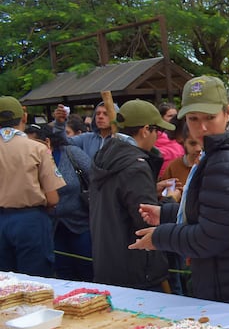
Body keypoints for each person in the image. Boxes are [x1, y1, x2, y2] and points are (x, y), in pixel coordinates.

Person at [130, 76, 229, 309]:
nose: (201, 127)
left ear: (227, 113)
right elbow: (217, 214)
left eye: (209, 118)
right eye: (193, 118)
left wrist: (161, 236)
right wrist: (168, 215)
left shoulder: (225, 160)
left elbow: (213, 236)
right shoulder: (219, 153)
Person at [90, 99, 173, 290]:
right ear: (145, 130)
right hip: (137, 267)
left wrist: (152, 190)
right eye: (157, 131)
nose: (158, 136)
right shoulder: (136, 165)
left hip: (107, 260)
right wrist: (171, 201)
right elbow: (146, 219)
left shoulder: (104, 156)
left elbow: (118, 200)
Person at [0, 97, 65, 276]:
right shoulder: (37, 148)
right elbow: (53, 198)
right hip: (30, 221)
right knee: (36, 282)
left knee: (3, 285)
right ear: (24, 117)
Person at [26, 124, 93, 282]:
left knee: (86, 267)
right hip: (51, 227)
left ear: (47, 142)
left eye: (32, 143)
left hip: (80, 223)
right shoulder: (27, 162)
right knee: (62, 270)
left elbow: (95, 179)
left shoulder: (71, 153)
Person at [53, 101, 120, 159]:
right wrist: (59, 123)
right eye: (98, 113)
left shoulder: (122, 139)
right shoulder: (87, 138)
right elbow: (64, 142)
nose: (100, 117)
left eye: (106, 114)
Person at [155, 102, 184, 177]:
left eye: (175, 116)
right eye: (170, 116)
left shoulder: (182, 133)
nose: (174, 118)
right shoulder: (155, 137)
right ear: (161, 118)